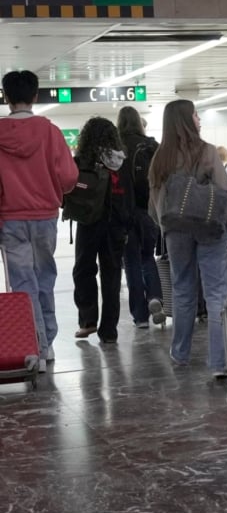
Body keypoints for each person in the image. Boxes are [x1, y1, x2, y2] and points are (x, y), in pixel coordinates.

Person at [148, 100, 227, 377]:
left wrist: (165, 225)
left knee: (183, 290)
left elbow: (154, 201)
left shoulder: (161, 157)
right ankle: (218, 362)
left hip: (176, 231)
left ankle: (180, 353)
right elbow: (225, 195)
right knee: (216, 293)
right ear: (186, 119)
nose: (198, 119)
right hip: (209, 229)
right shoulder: (206, 152)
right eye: (195, 114)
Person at [0, 70, 79, 371]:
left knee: (21, 284)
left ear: (6, 97)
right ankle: (47, 346)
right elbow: (70, 176)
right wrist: (55, 189)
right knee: (45, 278)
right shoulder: (50, 131)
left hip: (10, 219)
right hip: (46, 217)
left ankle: (33, 347)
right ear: (35, 96)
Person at [71, 116, 134, 344]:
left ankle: (87, 321)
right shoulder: (122, 161)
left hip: (89, 222)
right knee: (112, 274)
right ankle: (109, 331)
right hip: (116, 224)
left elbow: (71, 189)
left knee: (83, 270)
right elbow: (129, 195)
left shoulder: (83, 160)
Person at [116, 105, 165, 329]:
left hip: (125, 214)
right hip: (149, 213)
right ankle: (155, 296)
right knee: (147, 258)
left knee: (131, 263)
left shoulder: (116, 148)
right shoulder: (152, 146)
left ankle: (140, 316)